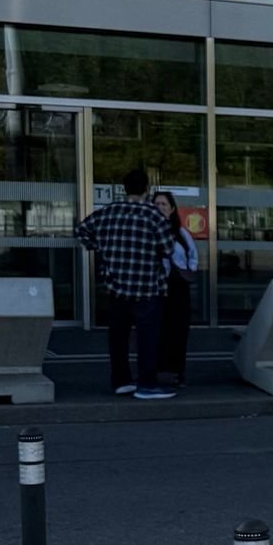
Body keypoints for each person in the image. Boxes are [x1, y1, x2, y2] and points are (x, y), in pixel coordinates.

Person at [75, 169, 175, 400]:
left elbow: (82, 230)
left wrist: (100, 248)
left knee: (118, 338)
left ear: (124, 188)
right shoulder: (153, 215)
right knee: (147, 339)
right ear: (146, 189)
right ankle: (147, 384)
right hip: (147, 286)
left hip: (116, 286)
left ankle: (121, 381)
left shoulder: (108, 212)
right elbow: (168, 248)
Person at [153, 190, 198, 387]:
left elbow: (193, 255)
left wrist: (188, 270)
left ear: (172, 209)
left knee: (178, 331)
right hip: (155, 286)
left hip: (178, 287)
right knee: (157, 330)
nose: (160, 207)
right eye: (156, 204)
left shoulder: (180, 232)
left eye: (163, 204)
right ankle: (155, 371)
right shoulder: (149, 230)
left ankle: (177, 372)